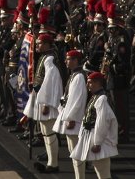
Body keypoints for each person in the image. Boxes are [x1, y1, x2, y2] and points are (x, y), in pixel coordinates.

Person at [71, 71, 119, 179]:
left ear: (98, 83)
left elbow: (102, 122)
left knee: (103, 173)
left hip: (98, 139)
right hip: (91, 135)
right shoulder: (95, 97)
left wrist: (97, 143)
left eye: (90, 82)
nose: (87, 85)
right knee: (100, 170)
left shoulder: (101, 99)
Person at [53, 49, 88, 179]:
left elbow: (78, 100)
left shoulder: (78, 77)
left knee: (76, 153)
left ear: (75, 60)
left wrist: (71, 118)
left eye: (68, 59)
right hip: (70, 118)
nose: (66, 61)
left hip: (74, 121)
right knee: (72, 152)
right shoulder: (74, 75)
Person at [31, 33, 62, 173]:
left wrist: (46, 103)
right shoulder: (45, 57)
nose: (37, 45)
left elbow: (50, 84)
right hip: (42, 98)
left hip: (47, 102)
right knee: (45, 132)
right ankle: (51, 161)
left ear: (47, 45)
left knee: (49, 132)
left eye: (40, 43)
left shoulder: (49, 59)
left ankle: (53, 163)